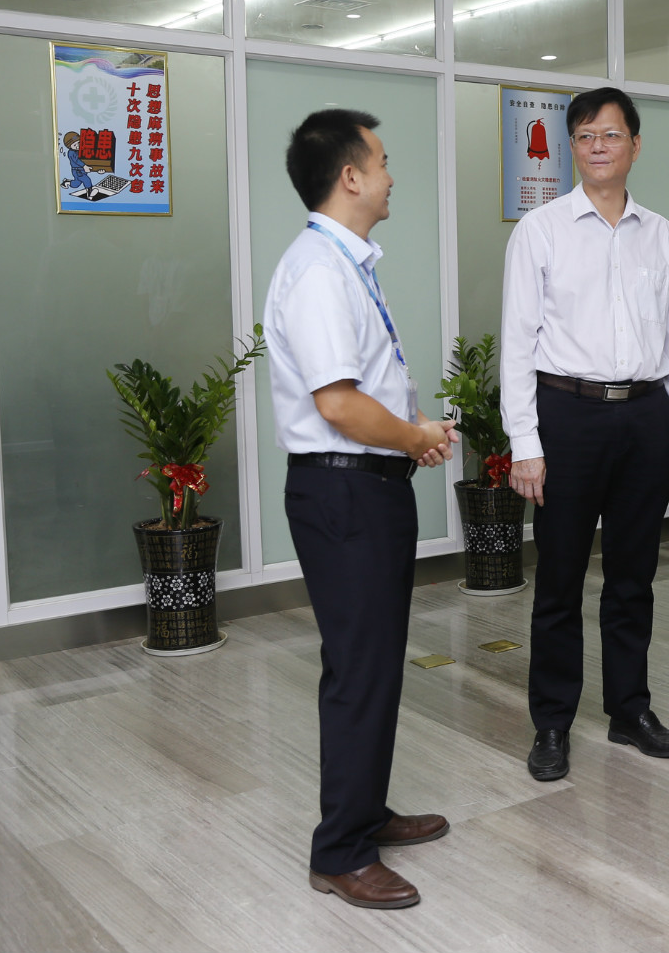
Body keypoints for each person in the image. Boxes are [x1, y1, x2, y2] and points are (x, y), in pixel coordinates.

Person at [262, 108, 459, 910]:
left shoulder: (346, 263)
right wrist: (412, 437)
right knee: (358, 668)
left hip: (367, 485)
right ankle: (340, 851)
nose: (390, 175)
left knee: (372, 663)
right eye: (381, 161)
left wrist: (411, 433)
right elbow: (339, 404)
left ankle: (365, 812)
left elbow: (362, 387)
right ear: (350, 176)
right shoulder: (318, 270)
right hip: (344, 489)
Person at [500, 87, 669, 782]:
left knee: (633, 576)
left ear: (635, 146)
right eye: (585, 136)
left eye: (610, 135)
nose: (597, 147)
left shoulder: (662, 234)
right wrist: (526, 444)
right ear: (571, 148)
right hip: (568, 415)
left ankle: (629, 710)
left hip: (645, 414)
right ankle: (552, 722)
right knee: (559, 578)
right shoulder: (541, 230)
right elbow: (517, 343)